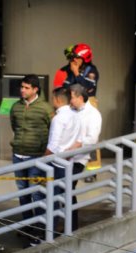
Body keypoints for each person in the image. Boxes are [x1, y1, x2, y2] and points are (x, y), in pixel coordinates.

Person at [10, 74, 53, 243]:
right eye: (22, 87)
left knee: (36, 193)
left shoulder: (45, 108)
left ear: (35, 89)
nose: (22, 90)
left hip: (37, 156)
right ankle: (28, 225)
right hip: (18, 154)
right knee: (22, 193)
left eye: (26, 87)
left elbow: (53, 128)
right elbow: (14, 126)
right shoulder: (16, 107)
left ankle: (40, 227)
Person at [66, 83, 102, 231]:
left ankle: (71, 226)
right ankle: (67, 224)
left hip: (79, 158)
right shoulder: (70, 111)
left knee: (68, 189)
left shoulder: (93, 114)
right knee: (63, 190)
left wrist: (77, 145)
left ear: (80, 97)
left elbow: (92, 139)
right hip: (64, 156)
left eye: (72, 98)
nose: (70, 101)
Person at [44, 86, 79, 234]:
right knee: (66, 196)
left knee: (53, 197)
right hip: (68, 161)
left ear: (58, 100)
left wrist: (43, 160)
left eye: (53, 98)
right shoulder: (75, 115)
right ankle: (68, 226)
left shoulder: (58, 119)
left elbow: (52, 145)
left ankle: (51, 229)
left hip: (56, 164)